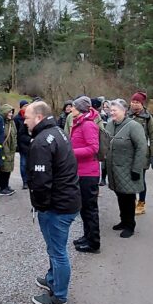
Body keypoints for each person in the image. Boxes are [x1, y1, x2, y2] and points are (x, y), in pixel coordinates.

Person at [25, 100, 81, 304]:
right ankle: (52, 279)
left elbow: (41, 182)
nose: (25, 122)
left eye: (27, 118)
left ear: (39, 117)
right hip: (66, 201)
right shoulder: (58, 132)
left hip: (57, 206)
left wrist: (41, 206)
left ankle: (59, 295)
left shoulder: (42, 141)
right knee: (53, 248)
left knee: (58, 252)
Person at [106, 98, 147, 238]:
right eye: (110, 110)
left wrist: (137, 169)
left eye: (114, 110)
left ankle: (130, 225)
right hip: (114, 170)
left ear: (124, 111)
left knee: (128, 198)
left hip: (128, 169)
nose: (112, 113)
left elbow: (141, 147)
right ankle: (123, 221)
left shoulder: (134, 126)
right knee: (120, 195)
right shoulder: (110, 125)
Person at [70, 96, 101, 253]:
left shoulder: (88, 125)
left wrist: (70, 152)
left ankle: (94, 242)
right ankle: (87, 236)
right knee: (84, 208)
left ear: (80, 109)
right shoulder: (79, 123)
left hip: (89, 173)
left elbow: (93, 148)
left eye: (74, 106)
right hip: (81, 172)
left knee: (90, 209)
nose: (71, 108)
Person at [130, 92, 153, 215]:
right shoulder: (126, 115)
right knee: (129, 179)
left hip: (142, 153)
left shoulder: (147, 117)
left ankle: (141, 203)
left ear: (142, 104)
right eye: (133, 102)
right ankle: (132, 202)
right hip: (128, 153)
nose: (134, 104)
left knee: (140, 179)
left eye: (137, 102)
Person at [0, 103, 17, 196]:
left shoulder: (12, 122)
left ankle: (6, 185)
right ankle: (2, 187)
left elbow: (15, 134)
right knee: (4, 168)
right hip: (4, 148)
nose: (10, 114)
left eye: (11, 112)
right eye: (9, 112)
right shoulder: (1, 122)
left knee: (9, 167)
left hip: (11, 149)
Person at [14, 100, 32, 190]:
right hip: (22, 144)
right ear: (21, 107)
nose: (26, 107)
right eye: (25, 106)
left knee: (31, 163)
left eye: (27, 105)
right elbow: (16, 133)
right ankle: (25, 181)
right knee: (23, 164)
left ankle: (30, 180)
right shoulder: (17, 118)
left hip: (32, 144)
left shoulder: (32, 116)